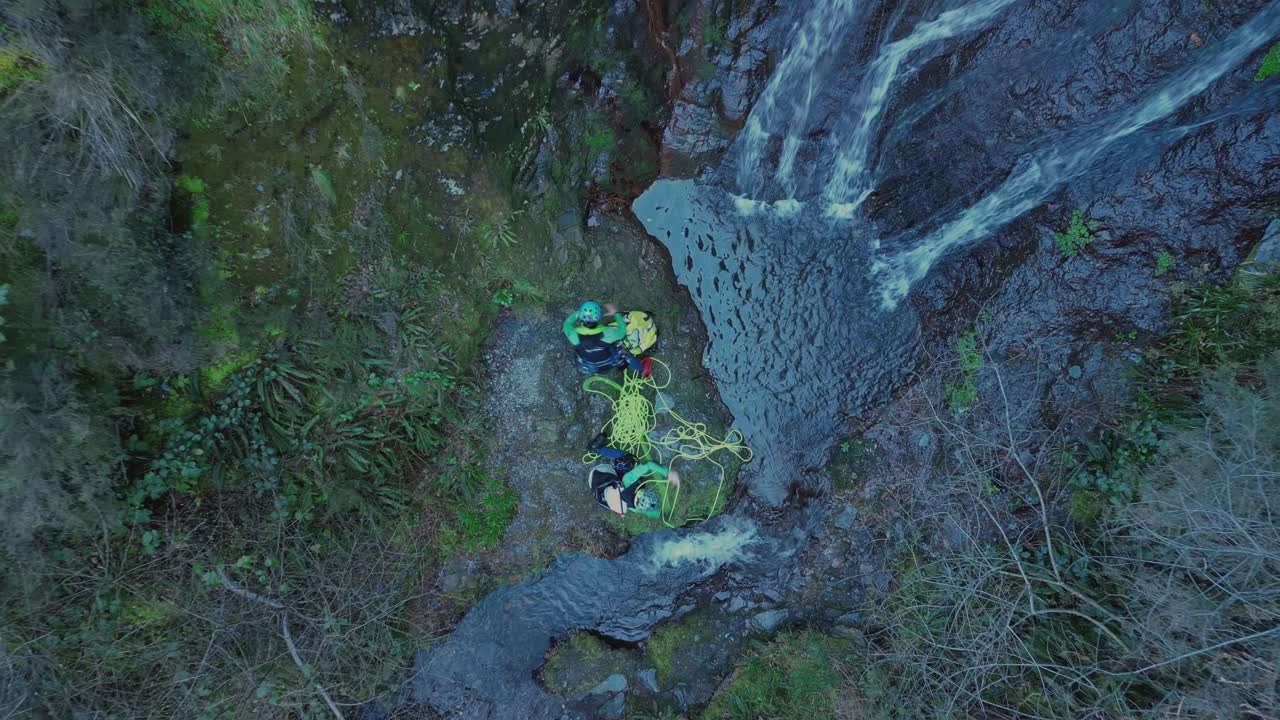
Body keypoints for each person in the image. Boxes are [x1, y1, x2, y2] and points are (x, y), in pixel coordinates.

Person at [587, 436, 679, 518]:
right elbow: (646, 512)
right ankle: (613, 466)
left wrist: (668, 473)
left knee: (628, 459)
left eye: (647, 493)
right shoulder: (633, 506)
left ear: (640, 494)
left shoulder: (628, 480)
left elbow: (648, 465)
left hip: (600, 471)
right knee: (627, 470)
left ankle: (596, 448)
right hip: (595, 484)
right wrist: (662, 514)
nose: (649, 491)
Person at [563, 300, 653, 376]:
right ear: (598, 317)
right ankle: (643, 370)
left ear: (581, 317)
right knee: (623, 354)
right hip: (609, 362)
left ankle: (592, 371)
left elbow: (567, 323)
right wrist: (615, 313)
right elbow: (622, 331)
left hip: (591, 366)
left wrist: (580, 312)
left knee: (583, 352)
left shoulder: (574, 335)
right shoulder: (607, 333)